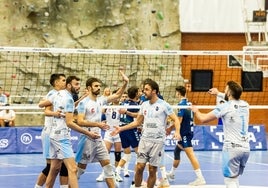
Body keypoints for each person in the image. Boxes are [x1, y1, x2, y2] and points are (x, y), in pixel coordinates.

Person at [111, 78, 181, 188]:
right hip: (144, 140)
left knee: (152, 170)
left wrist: (177, 131)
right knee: (139, 167)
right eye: (143, 89)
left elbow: (176, 119)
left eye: (147, 89)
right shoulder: (144, 104)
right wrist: (121, 129)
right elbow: (137, 122)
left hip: (157, 141)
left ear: (154, 91)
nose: (144, 91)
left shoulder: (164, 105)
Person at [39, 75, 100, 188]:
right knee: (72, 169)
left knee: (54, 168)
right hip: (61, 137)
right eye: (76, 84)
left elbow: (40, 104)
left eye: (79, 84)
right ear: (68, 85)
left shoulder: (58, 94)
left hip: (52, 135)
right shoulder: (68, 98)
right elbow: (70, 123)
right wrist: (89, 133)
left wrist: (59, 112)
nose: (79, 86)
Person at [191, 81, 250, 188]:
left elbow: (203, 119)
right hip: (245, 148)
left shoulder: (224, 107)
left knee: (229, 180)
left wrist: (196, 111)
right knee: (234, 178)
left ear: (229, 93)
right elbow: (233, 99)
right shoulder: (245, 105)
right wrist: (218, 93)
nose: (225, 91)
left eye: (226, 89)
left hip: (232, 148)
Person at [75, 70, 129, 188]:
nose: (99, 88)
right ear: (89, 88)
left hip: (98, 139)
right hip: (87, 139)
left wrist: (125, 83)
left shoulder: (101, 100)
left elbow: (117, 95)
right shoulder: (84, 103)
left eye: (99, 86)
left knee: (108, 168)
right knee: (80, 170)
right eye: (96, 86)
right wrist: (97, 124)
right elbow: (80, 121)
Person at [34, 73, 69, 188]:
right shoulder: (53, 94)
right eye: (63, 80)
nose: (65, 82)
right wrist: (56, 114)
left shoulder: (63, 95)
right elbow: (45, 110)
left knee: (64, 165)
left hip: (60, 132)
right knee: (51, 167)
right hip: (50, 133)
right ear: (56, 82)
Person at [166, 86, 206, 186]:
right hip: (189, 130)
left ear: (178, 93)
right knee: (177, 151)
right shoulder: (189, 103)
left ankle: (200, 178)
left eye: (176, 93)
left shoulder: (181, 104)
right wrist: (171, 128)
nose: (176, 94)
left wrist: (176, 131)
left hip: (184, 133)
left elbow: (179, 120)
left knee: (191, 155)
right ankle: (172, 174)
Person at [114, 86, 141, 183]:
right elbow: (139, 116)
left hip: (122, 130)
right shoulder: (133, 104)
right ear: (136, 93)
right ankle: (136, 178)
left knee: (127, 154)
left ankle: (116, 171)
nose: (140, 92)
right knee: (140, 154)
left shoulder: (124, 103)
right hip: (130, 129)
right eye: (139, 91)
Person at [96, 89, 123, 182]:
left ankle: (116, 173)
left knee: (118, 155)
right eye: (115, 97)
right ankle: (104, 173)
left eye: (118, 97)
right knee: (105, 154)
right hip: (108, 132)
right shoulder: (107, 106)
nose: (116, 98)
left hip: (118, 133)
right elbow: (102, 111)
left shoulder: (122, 107)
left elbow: (126, 116)